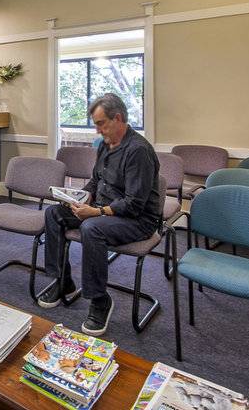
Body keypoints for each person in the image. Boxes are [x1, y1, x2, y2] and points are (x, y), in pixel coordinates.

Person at [37, 93, 161, 336]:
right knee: (54, 213)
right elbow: (96, 181)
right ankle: (63, 281)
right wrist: (80, 198)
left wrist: (96, 212)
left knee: (91, 228)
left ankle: (100, 300)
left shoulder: (138, 151)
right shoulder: (105, 144)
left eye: (101, 124)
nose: (97, 130)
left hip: (138, 220)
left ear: (118, 119)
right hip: (104, 209)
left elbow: (134, 204)